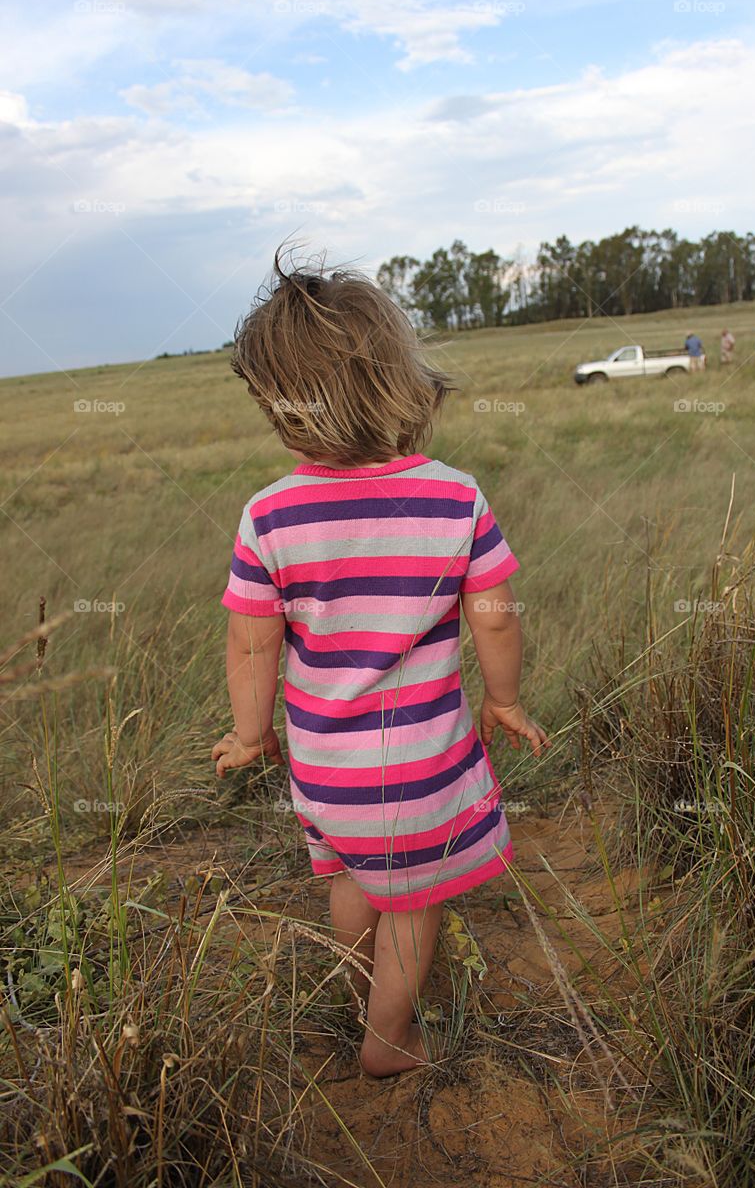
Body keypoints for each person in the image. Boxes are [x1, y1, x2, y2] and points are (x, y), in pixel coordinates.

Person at [211, 249, 550, 1079]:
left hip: (325, 770)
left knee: (354, 876)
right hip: (419, 766)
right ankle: (388, 1037)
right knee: (414, 903)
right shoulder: (453, 496)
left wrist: (250, 735)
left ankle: (360, 987)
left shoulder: (269, 516)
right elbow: (495, 619)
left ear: (282, 405)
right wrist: (503, 700)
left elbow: (251, 643)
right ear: (399, 379)